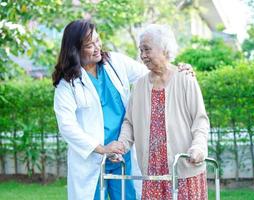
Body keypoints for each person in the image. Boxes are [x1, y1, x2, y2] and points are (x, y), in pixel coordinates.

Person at [52, 20, 193, 200]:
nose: (96, 47)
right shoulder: (67, 84)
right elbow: (67, 126)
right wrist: (102, 148)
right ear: (75, 49)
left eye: (97, 40)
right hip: (92, 158)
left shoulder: (115, 62)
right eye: (89, 45)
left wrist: (178, 71)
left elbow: (151, 74)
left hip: (122, 153)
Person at [112, 24, 210, 199]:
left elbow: (200, 120)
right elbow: (129, 123)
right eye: (140, 50)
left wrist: (199, 147)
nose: (142, 55)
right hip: (153, 174)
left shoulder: (185, 78)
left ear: (164, 49)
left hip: (184, 170)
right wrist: (121, 145)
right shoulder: (139, 86)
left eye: (147, 49)